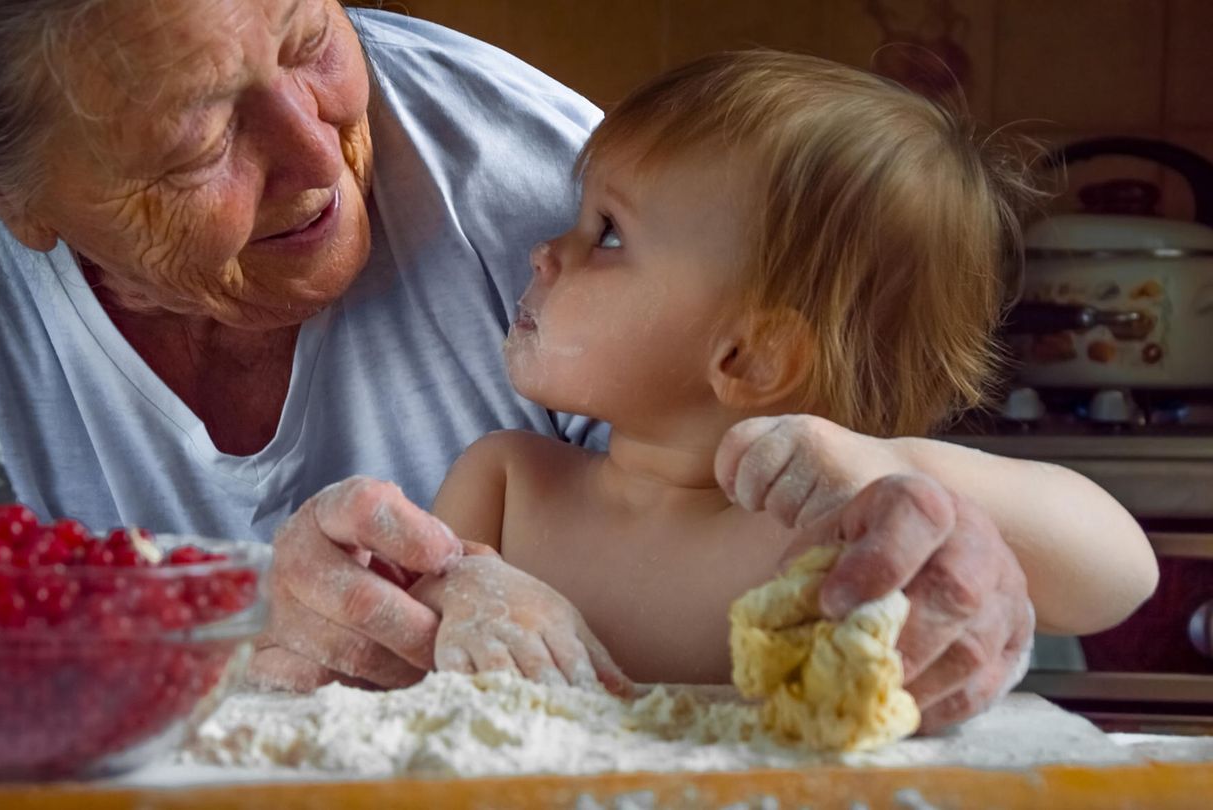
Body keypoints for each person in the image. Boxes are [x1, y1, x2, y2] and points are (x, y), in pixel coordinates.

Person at [0, 0, 1148, 732]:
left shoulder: (539, 177)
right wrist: (276, 625)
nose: (318, 157)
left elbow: (1107, 569)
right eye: (197, 140)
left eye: (307, 40)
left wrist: (909, 483)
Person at [410, 50, 1159, 731]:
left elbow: (1122, 575)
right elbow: (404, 643)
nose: (545, 252)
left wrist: (900, 466)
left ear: (751, 357)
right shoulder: (507, 483)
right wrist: (460, 595)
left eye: (607, 233)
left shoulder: (836, 538)